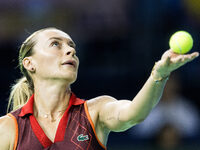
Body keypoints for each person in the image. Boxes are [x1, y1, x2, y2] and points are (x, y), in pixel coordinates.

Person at [0, 27, 198, 150]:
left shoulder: (96, 111)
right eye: (55, 44)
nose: (70, 50)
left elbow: (134, 113)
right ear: (29, 63)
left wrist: (159, 73)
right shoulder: (8, 129)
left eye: (71, 46)